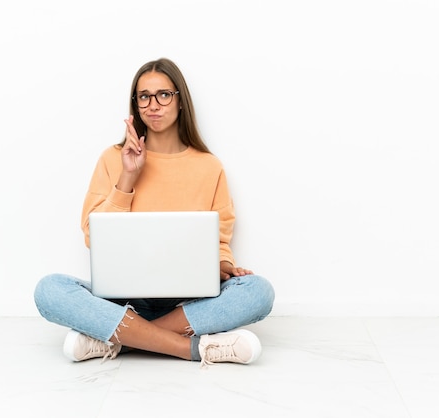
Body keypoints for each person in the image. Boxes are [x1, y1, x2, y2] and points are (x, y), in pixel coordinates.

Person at [34, 58, 275, 366]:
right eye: (144, 96)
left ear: (180, 100)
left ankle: (116, 340)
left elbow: (219, 240)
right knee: (49, 290)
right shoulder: (112, 159)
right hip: (121, 301)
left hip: (187, 303)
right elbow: (94, 237)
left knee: (258, 291)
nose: (153, 105)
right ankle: (191, 348)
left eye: (163, 95)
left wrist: (224, 265)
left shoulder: (208, 166)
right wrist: (127, 177)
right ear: (135, 104)